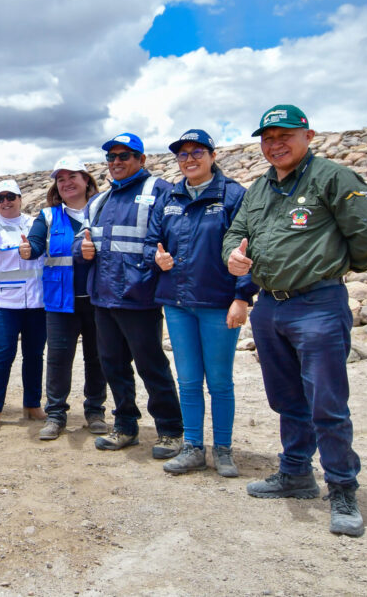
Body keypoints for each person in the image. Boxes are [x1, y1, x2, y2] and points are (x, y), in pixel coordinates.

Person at [222, 104, 367, 537]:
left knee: (326, 403)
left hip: (318, 304)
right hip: (270, 308)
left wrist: (325, 269)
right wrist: (234, 259)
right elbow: (233, 235)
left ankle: (342, 488)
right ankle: (295, 473)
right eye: (267, 138)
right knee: (286, 398)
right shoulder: (258, 189)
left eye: (284, 136)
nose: (275, 145)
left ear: (308, 136)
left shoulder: (332, 177)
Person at [143, 129, 257, 476]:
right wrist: (157, 258)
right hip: (178, 303)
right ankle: (193, 446)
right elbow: (152, 241)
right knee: (189, 380)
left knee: (220, 380)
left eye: (197, 153)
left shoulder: (234, 196)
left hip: (218, 302)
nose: (189, 159)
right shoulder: (170, 196)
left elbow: (247, 249)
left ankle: (222, 449)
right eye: (183, 154)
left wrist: (242, 296)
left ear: (212, 155)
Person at [75, 132, 184, 459]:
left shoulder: (161, 192)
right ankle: (125, 425)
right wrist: (82, 250)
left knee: (152, 365)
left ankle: (170, 429)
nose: (117, 162)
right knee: (113, 365)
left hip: (140, 297)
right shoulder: (98, 201)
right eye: (111, 157)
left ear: (141, 160)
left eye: (124, 156)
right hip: (104, 297)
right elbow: (81, 245)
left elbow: (173, 241)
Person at [23, 157, 109, 440]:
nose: (67, 182)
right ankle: (56, 414)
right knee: (59, 359)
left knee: (97, 358)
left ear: (87, 180)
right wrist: (28, 250)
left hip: (97, 298)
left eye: (73, 176)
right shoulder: (47, 216)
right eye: (61, 179)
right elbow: (35, 245)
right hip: (61, 300)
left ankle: (95, 411)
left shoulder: (102, 210)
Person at [0, 179, 47, 429]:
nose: (6, 202)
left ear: (20, 198)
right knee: (3, 354)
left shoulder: (35, 224)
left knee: (34, 355)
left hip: (37, 302)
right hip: (5, 303)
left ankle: (32, 404)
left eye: (10, 197)